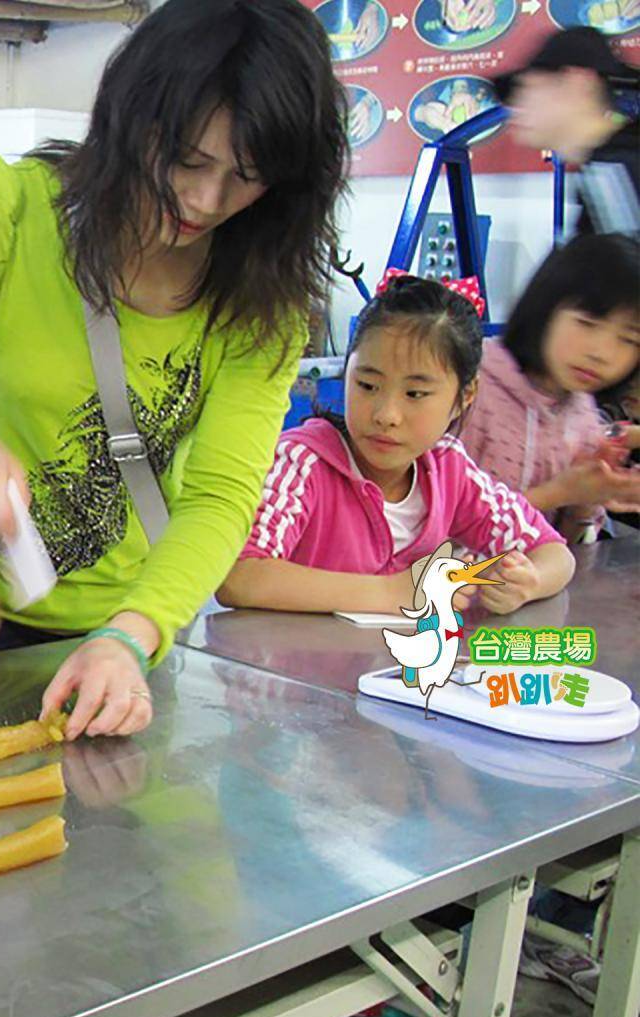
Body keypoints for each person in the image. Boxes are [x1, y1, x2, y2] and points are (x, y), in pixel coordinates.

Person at [0, 0, 348, 741]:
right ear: (131, 115)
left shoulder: (263, 297)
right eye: (187, 161)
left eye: (246, 176)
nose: (207, 202)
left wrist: (130, 634)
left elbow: (220, 496)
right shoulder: (7, 210)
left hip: (135, 630)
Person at [221, 275, 574, 614]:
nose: (386, 415)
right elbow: (239, 577)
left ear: (465, 396)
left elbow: (555, 553)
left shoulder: (448, 468)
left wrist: (527, 582)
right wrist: (394, 591)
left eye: (415, 394)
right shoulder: (302, 462)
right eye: (368, 385)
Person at [459, 235, 640, 541]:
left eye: (628, 340)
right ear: (545, 307)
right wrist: (558, 492)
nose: (602, 353)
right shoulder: (469, 388)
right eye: (587, 323)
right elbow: (437, 531)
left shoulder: (582, 413)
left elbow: (571, 547)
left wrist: (585, 498)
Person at [495, 25, 640, 239]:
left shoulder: (618, 170)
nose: (515, 107)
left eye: (525, 87)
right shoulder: (605, 166)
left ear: (578, 81)